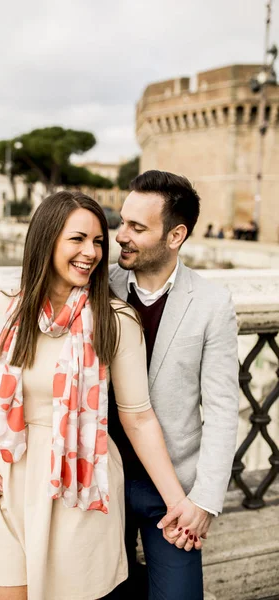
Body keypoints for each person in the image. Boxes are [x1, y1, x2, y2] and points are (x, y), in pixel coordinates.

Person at [0, 190, 201, 600]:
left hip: (77, 487)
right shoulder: (3, 309)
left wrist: (181, 505)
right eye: (78, 239)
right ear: (46, 239)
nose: (91, 252)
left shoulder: (115, 320)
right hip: (3, 484)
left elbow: (138, 417)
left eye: (98, 242)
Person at [107, 170, 239, 600]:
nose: (120, 235)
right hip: (99, 483)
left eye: (137, 227)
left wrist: (203, 501)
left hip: (173, 495)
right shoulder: (97, 286)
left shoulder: (212, 304)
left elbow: (222, 410)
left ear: (175, 235)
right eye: (122, 221)